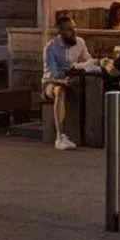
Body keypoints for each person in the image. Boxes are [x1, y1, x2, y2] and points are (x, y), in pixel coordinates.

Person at [43, 16, 95, 150]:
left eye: (74, 27)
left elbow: (90, 61)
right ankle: (60, 136)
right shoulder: (51, 47)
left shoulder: (80, 42)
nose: (73, 32)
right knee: (60, 91)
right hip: (52, 83)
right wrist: (61, 81)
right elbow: (51, 74)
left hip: (73, 80)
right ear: (60, 32)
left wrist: (75, 66)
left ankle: (90, 133)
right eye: (69, 30)